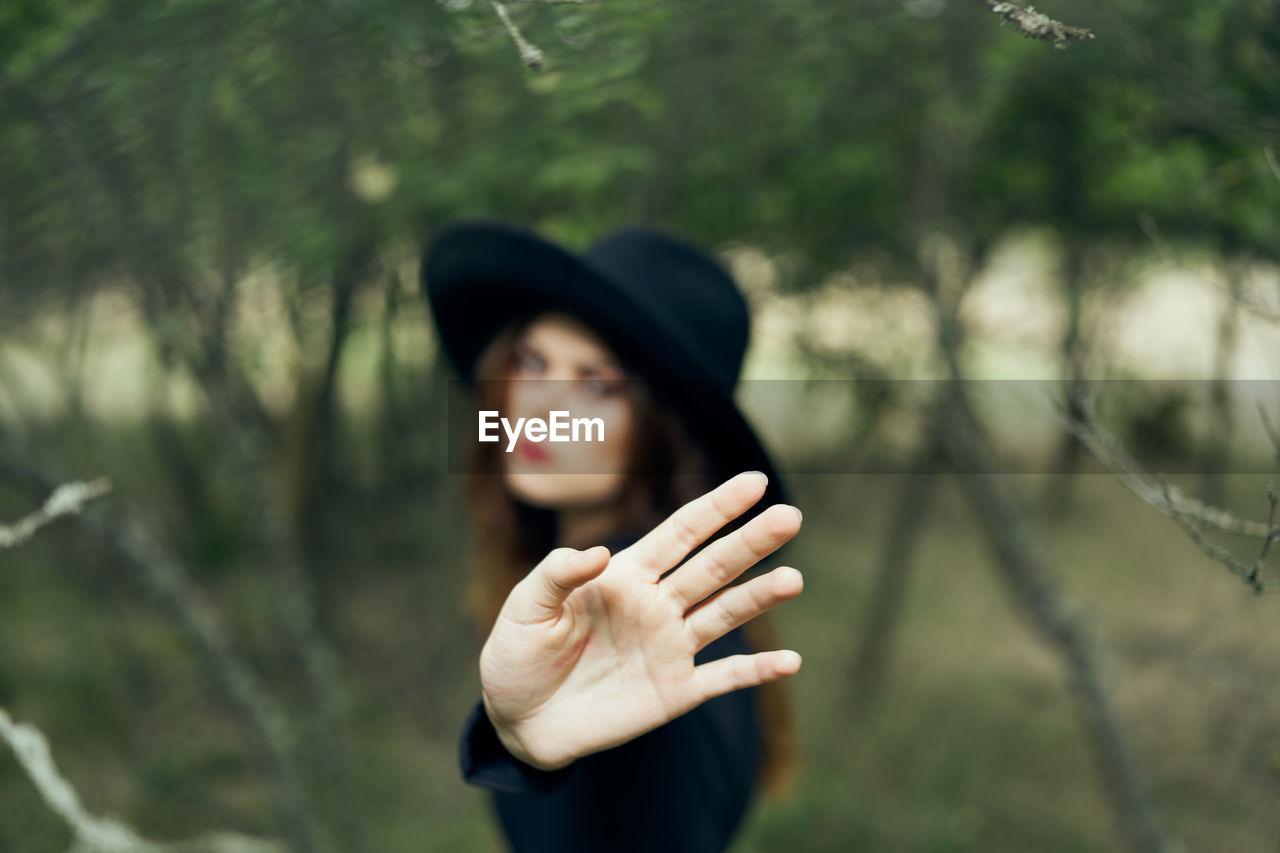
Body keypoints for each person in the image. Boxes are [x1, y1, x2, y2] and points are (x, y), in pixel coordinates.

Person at [420, 221, 805, 852]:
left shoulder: (645, 620)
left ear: (662, 435)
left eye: (597, 384)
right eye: (532, 360)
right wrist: (524, 747)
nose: (540, 405)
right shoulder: (597, 591)